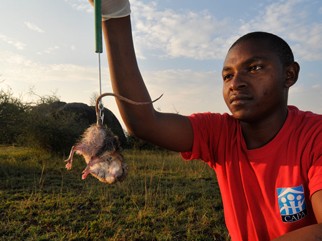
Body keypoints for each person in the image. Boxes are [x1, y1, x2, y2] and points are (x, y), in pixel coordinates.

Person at [88, 0, 322, 240]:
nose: (235, 83)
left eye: (254, 68)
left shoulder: (315, 136)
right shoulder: (219, 133)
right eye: (227, 75)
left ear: (290, 74)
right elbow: (144, 123)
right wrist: (113, 13)